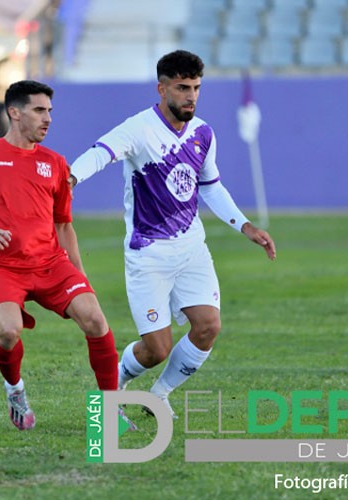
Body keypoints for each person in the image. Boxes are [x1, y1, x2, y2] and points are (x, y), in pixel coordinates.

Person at [69, 50, 276, 418]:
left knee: (208, 326)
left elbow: (210, 186)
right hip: (148, 254)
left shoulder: (203, 133)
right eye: (182, 88)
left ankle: (159, 395)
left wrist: (245, 225)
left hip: (191, 248)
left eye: (196, 87)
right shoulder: (138, 129)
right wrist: (70, 178)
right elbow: (100, 152)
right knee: (157, 348)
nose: (191, 96)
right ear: (162, 88)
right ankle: (113, 381)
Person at [0, 80, 132, 431]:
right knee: (8, 332)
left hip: (50, 264)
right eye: (39, 110)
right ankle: (15, 390)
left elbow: (64, 226)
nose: (47, 119)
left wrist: (80, 276)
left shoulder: (55, 164)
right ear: (14, 113)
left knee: (95, 320)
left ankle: (110, 412)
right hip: (3, 266)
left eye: (49, 111)